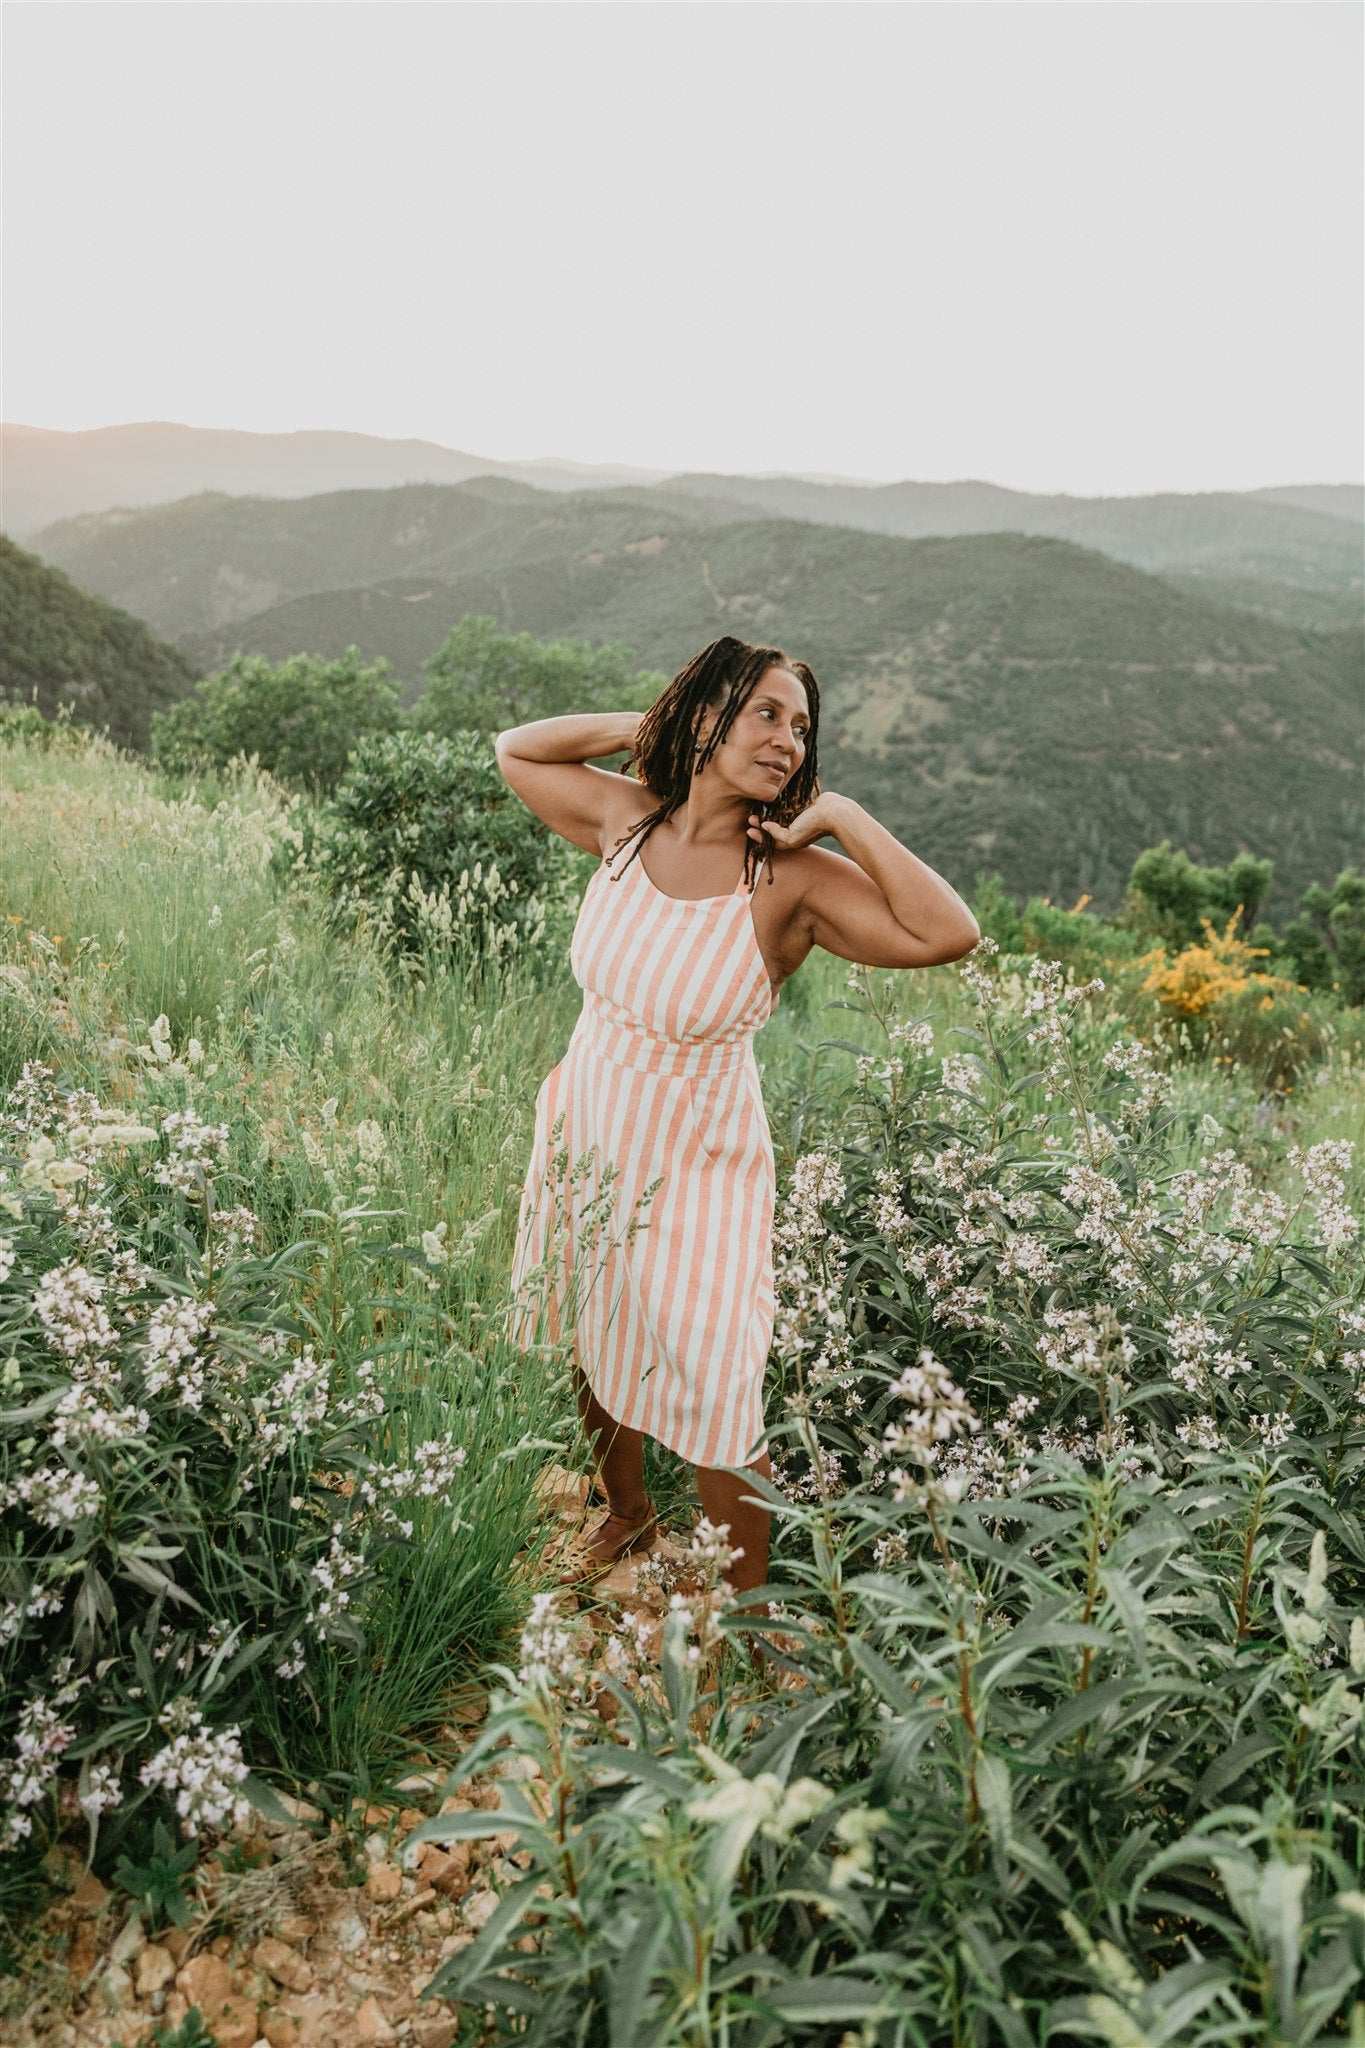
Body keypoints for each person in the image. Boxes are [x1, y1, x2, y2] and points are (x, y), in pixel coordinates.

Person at [498, 635, 980, 1606]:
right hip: (589, 1117)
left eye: (800, 727)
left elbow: (948, 933)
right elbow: (517, 748)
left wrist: (839, 816)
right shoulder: (626, 820)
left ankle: (743, 1621)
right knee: (592, 1324)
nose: (788, 741)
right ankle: (627, 1511)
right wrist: (659, 727)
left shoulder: (787, 881)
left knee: (717, 1383)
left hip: (702, 1160)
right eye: (765, 713)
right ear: (708, 716)